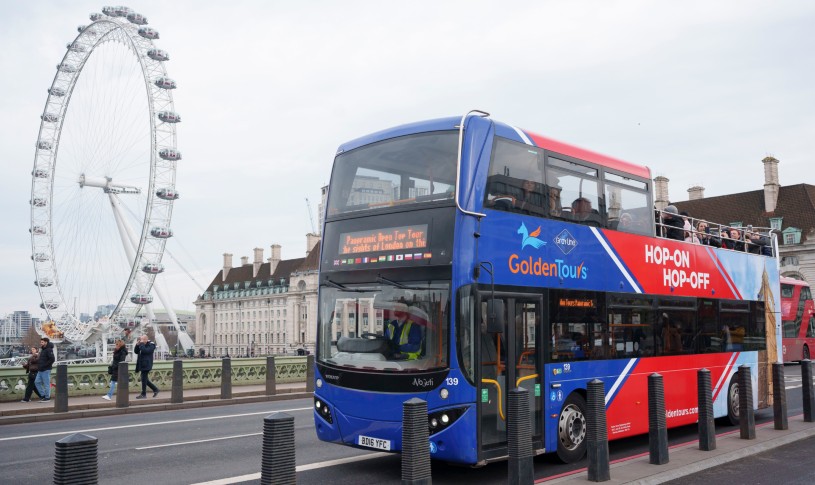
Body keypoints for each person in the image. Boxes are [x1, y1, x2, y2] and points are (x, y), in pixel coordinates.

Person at [35, 337, 55, 402]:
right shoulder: (43, 349)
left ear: (46, 342)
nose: (41, 343)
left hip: (46, 370)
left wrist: (44, 366)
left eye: (42, 342)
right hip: (40, 370)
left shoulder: (49, 349)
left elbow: (52, 359)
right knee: (37, 382)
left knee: (46, 384)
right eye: (41, 342)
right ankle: (43, 396)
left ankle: (47, 397)